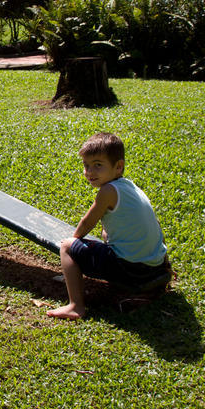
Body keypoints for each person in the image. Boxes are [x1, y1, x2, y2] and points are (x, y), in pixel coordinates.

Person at [47, 132, 169, 320]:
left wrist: (74, 241)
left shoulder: (107, 191)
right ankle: (152, 280)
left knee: (66, 247)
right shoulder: (130, 187)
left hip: (131, 269)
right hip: (156, 265)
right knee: (105, 235)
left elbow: (87, 222)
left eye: (98, 165)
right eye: (86, 166)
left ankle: (75, 306)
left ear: (118, 166)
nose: (89, 172)